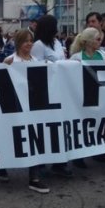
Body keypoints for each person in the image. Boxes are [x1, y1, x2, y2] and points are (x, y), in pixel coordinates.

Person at [68, 28, 105, 175]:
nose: (99, 41)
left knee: (103, 128)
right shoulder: (77, 57)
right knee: (84, 128)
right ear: (88, 41)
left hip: (101, 99)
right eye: (97, 39)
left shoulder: (102, 54)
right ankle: (79, 157)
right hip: (83, 99)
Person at [2, 29, 50, 193]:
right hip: (15, 108)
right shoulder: (9, 61)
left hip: (33, 107)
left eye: (31, 40)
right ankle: (3, 166)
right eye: (25, 41)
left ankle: (34, 177)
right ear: (18, 43)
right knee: (12, 138)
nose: (29, 44)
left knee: (34, 139)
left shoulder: (36, 60)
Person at [30, 15, 73, 177]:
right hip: (45, 92)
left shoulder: (57, 43)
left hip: (61, 90)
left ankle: (59, 163)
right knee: (44, 128)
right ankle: (40, 163)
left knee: (60, 127)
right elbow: (35, 67)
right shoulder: (38, 45)